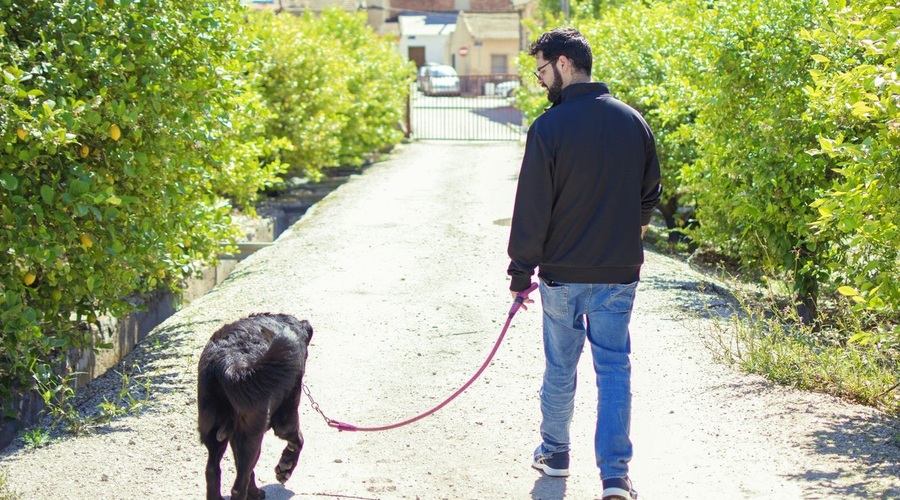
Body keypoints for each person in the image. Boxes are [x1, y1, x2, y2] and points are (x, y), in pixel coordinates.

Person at [506, 27, 661, 500]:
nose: (540, 80)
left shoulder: (549, 128)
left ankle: (555, 454)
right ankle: (615, 476)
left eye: (542, 70)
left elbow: (533, 207)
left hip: (562, 276)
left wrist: (519, 272)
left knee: (561, 366)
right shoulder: (632, 120)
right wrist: (630, 232)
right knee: (614, 369)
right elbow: (650, 190)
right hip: (618, 274)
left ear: (564, 64)